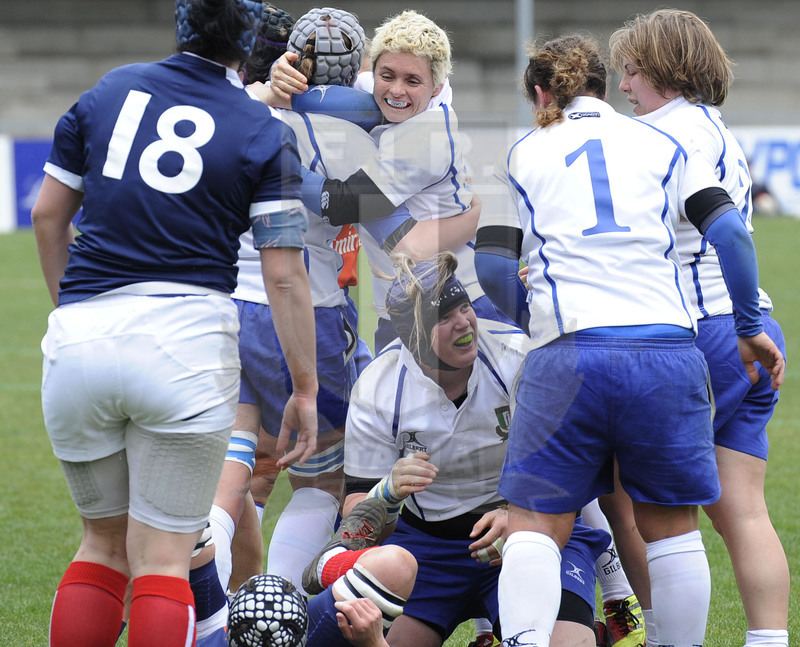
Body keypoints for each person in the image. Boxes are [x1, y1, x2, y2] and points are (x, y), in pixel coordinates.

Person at [473, 33, 784, 647]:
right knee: (671, 529)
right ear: (606, 85)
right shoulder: (663, 142)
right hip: (665, 353)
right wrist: (749, 325)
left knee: (537, 525)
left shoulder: (521, 151)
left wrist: (535, 319)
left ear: (540, 93)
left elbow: (492, 264)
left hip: (568, 353)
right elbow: (733, 236)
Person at [31, 1, 318, 645]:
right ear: (250, 45)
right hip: (185, 346)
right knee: (161, 558)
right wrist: (303, 388)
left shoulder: (110, 89)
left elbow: (50, 216)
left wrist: (71, 309)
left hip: (82, 338)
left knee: (100, 544)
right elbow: (282, 275)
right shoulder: (260, 127)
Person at [301, 252, 611, 647]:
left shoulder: (516, 358)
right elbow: (357, 507)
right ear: (415, 339)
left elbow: (568, 470)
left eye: (465, 306)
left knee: (565, 644)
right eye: (444, 317)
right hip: (426, 550)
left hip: (526, 529)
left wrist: (514, 516)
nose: (464, 322)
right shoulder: (378, 386)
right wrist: (388, 493)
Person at [609, 10, 790, 647]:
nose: (624, 86)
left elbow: (728, 232)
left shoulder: (659, 137)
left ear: (660, 70)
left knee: (634, 498)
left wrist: (742, 323)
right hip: (747, 324)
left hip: (700, 332)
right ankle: (768, 640)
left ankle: (656, 632)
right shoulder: (713, 128)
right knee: (743, 511)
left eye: (630, 71)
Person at [257, 9, 514, 353]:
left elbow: (346, 203)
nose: (396, 90)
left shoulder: (427, 135)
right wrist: (282, 77)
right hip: (403, 302)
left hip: (461, 299)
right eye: (387, 75)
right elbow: (350, 93)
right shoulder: (387, 90)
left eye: (412, 81)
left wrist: (278, 164)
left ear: (437, 86)